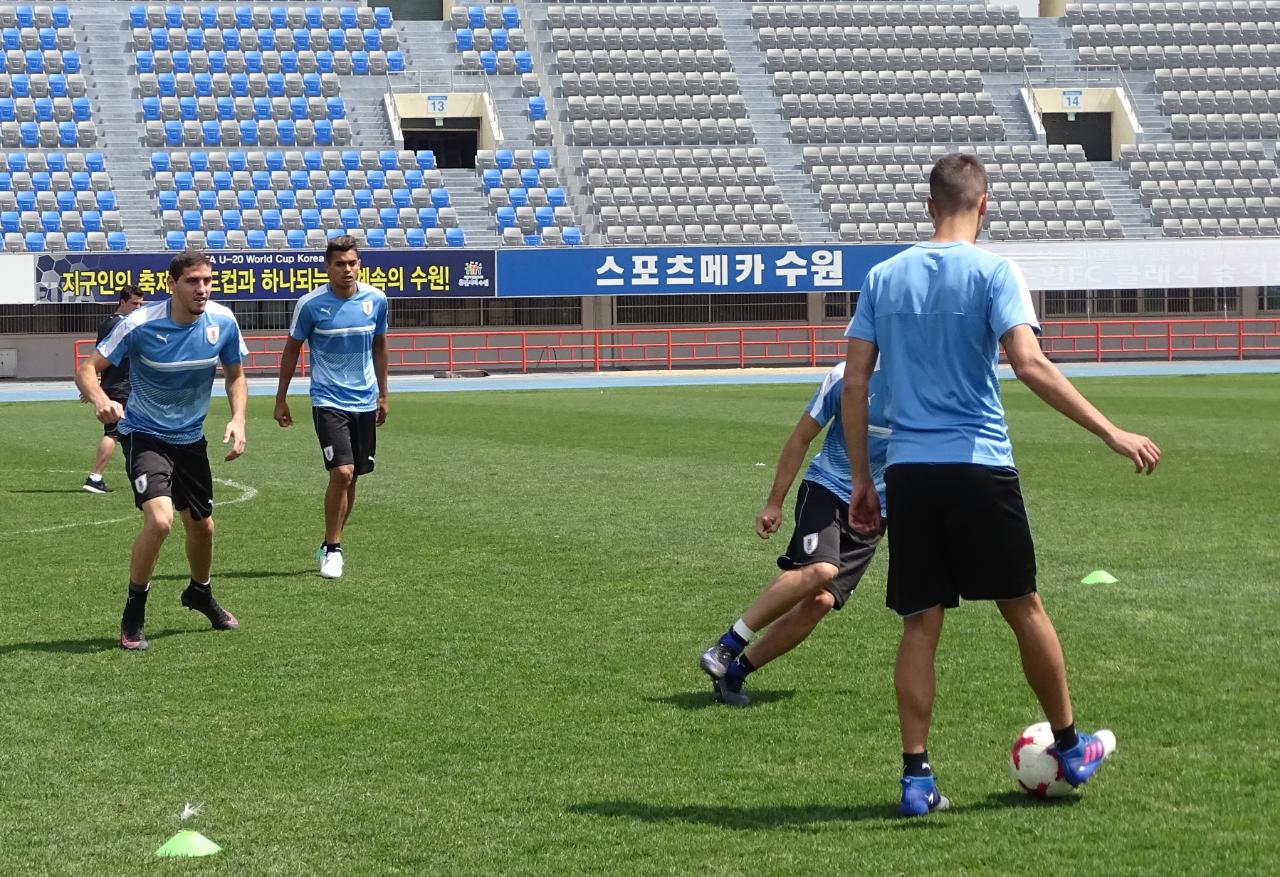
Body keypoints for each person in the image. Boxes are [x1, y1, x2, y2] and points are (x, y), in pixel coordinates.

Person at [841, 153, 1161, 816]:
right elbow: (1029, 364)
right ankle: (1070, 745)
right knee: (1024, 606)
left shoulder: (883, 277)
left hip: (911, 471)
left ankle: (916, 778)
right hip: (981, 464)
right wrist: (1111, 432)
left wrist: (861, 481)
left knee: (920, 623)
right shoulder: (995, 272)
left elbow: (854, 383)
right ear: (983, 205)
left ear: (929, 204)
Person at [74, 251, 248, 651]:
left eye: (206, 280)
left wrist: (238, 419)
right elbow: (87, 367)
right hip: (145, 435)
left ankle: (200, 593)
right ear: (173, 284)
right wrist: (100, 398)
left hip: (190, 440)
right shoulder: (139, 324)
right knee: (160, 522)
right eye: (192, 281)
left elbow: (236, 376)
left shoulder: (222, 322)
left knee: (203, 528)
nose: (201, 288)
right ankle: (133, 613)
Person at [700, 363, 890, 706]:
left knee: (820, 602)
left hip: (875, 511)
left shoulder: (924, 385)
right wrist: (774, 503)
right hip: (827, 488)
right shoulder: (845, 377)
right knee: (821, 569)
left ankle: (736, 674)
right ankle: (727, 645)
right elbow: (801, 437)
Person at [273, 236, 389, 579]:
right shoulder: (310, 305)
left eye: (352, 262)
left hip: (365, 400)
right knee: (341, 472)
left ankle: (330, 543)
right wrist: (281, 398)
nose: (347, 269)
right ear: (328, 267)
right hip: (327, 399)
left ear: (360, 265)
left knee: (352, 478)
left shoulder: (376, 300)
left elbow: (380, 346)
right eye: (340, 264)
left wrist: (384, 394)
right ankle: (334, 549)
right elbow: (292, 350)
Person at [81, 285, 146, 494]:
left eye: (141, 304)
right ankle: (95, 477)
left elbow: (99, 357)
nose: (138, 308)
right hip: (122, 386)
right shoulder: (123, 325)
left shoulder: (106, 323)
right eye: (134, 303)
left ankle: (140, 473)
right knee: (114, 432)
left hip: (113, 385)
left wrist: (94, 384)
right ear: (122, 302)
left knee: (130, 431)